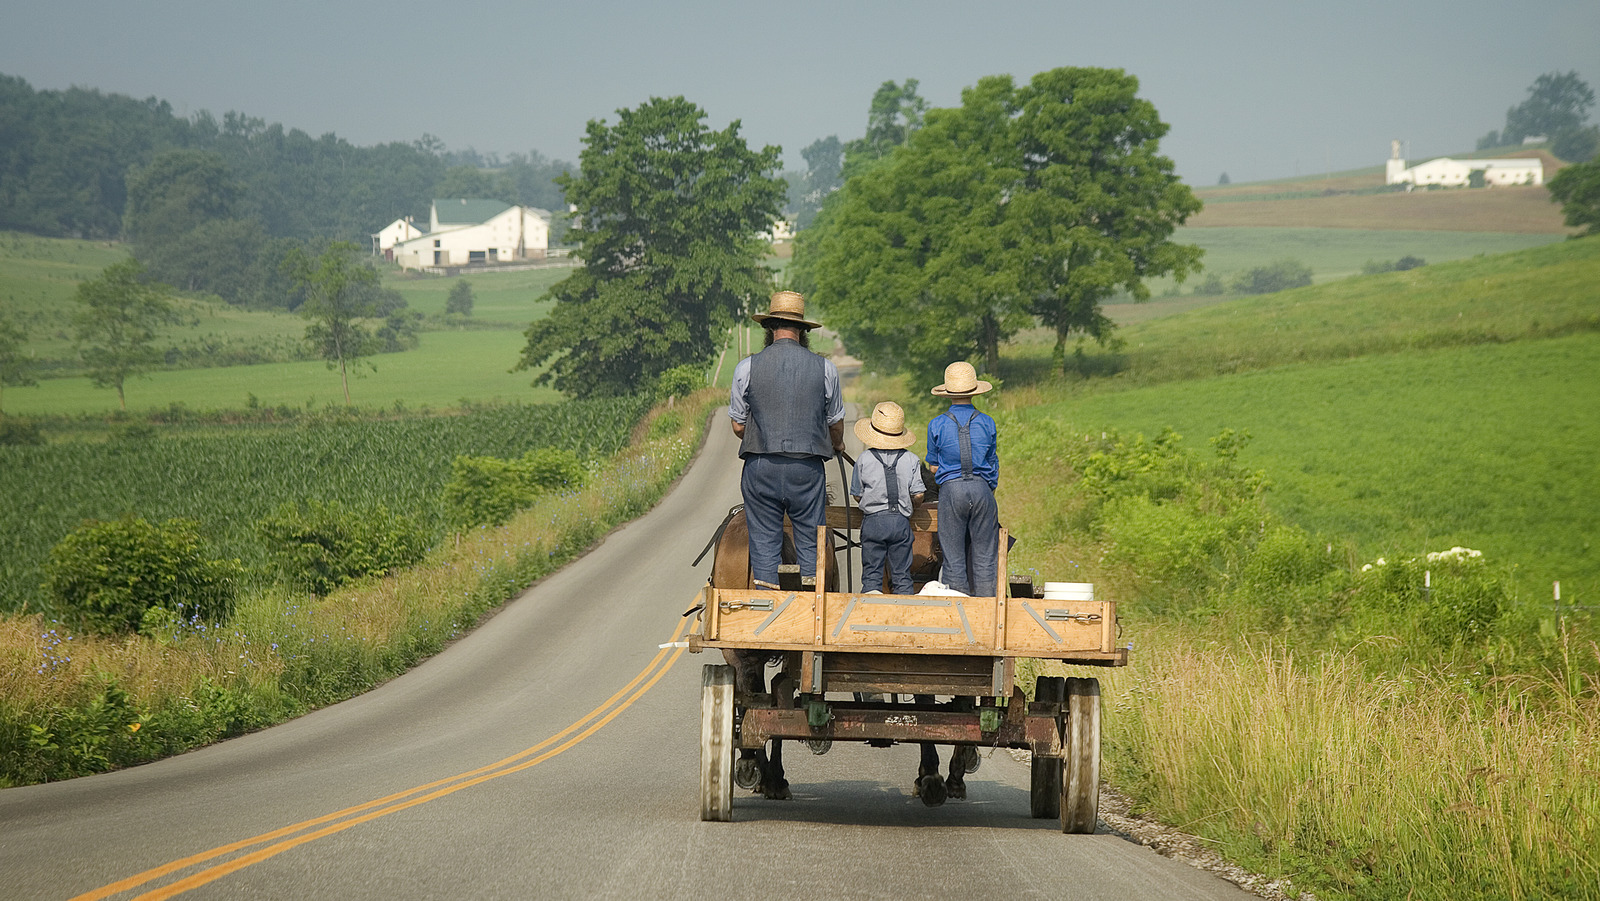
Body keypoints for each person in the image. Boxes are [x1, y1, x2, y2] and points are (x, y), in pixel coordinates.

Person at [729, 290, 846, 589]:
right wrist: (838, 444)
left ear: (769, 328)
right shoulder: (826, 369)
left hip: (761, 467)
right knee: (810, 541)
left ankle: (767, 597)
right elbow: (835, 424)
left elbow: (738, 426)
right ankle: (809, 598)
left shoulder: (746, 367)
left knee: (764, 544)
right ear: (803, 331)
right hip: (806, 470)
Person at [925, 361, 999, 597]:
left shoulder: (936, 424)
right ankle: (988, 612)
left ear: (948, 393)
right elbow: (992, 463)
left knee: (953, 559)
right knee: (985, 558)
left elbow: (933, 467)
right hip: (982, 489)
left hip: (952, 491)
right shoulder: (987, 422)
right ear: (974, 391)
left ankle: (958, 612)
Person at [850, 401, 925, 594]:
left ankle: (871, 607)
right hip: (900, 523)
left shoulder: (864, 459)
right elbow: (918, 494)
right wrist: (912, 504)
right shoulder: (911, 459)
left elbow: (857, 495)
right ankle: (905, 609)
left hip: (873, 523)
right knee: (902, 576)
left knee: (872, 576)